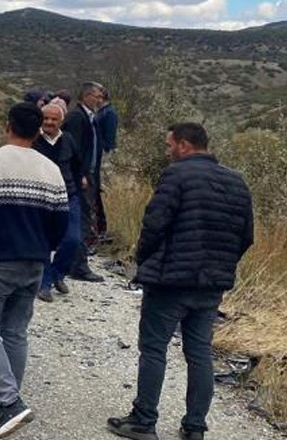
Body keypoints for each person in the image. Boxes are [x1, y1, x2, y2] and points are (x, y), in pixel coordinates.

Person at [107, 123, 254, 440]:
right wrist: (221, 264)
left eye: (168, 145)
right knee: (199, 353)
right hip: (212, 284)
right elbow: (246, 236)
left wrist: (144, 261)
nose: (167, 151)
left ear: (184, 145)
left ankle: (144, 420)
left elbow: (154, 224)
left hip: (171, 281)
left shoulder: (176, 176)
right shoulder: (237, 182)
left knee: (154, 348)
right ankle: (194, 427)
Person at [0, 102, 69, 440]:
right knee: (16, 331)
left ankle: (10, 402)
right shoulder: (50, 168)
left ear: (8, 126)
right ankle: (10, 403)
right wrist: (42, 249)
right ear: (38, 131)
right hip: (34, 262)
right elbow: (61, 222)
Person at [33, 100, 83, 302]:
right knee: (44, 242)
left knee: (73, 240)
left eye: (54, 119)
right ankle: (44, 284)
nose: (50, 122)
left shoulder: (69, 140)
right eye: (46, 118)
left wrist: (80, 184)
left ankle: (57, 274)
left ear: (61, 122)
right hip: (41, 198)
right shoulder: (34, 140)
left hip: (68, 196)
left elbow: (78, 165)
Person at [62, 82, 105, 282]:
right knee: (82, 220)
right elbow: (72, 149)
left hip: (90, 175)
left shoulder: (90, 118)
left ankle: (74, 263)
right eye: (97, 96)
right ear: (86, 96)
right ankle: (77, 265)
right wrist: (80, 174)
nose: (100, 99)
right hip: (81, 178)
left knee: (84, 218)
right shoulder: (77, 118)